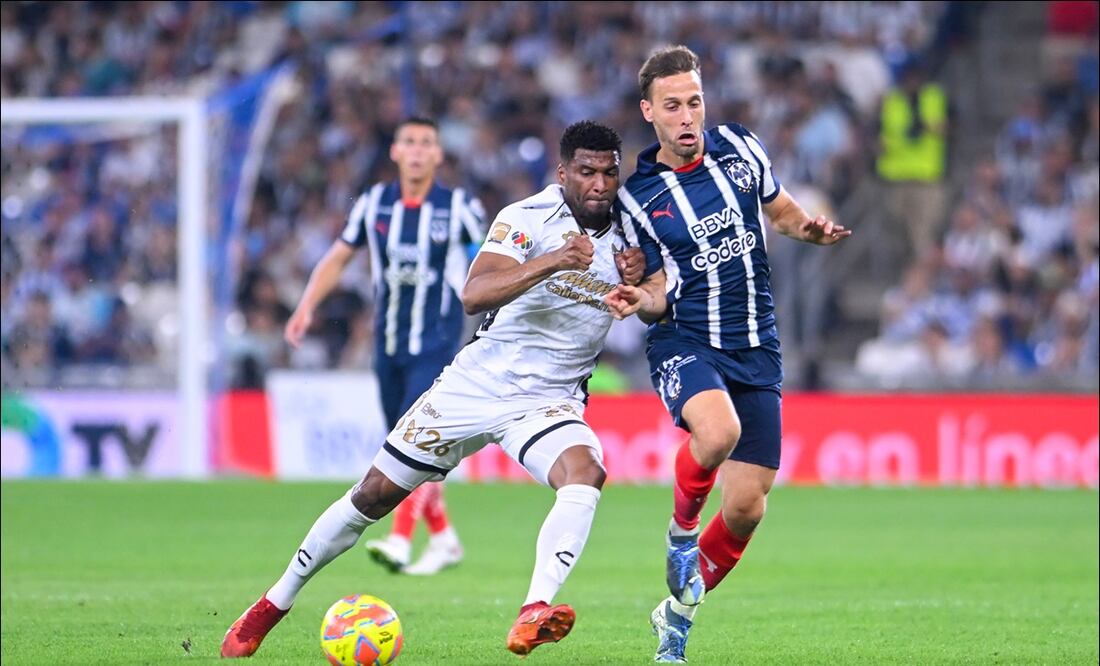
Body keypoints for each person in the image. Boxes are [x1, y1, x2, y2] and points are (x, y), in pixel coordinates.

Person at [221, 120, 650, 659]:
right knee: (371, 497)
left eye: (610, 173)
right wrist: (554, 260)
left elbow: (657, 296)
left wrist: (645, 283)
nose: (599, 184)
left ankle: (533, 610)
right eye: (586, 172)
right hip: (475, 385)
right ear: (563, 172)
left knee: (586, 472)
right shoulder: (525, 218)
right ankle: (272, 603)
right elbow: (475, 293)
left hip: (550, 400)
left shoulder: (637, 231)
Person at [616, 46, 851, 663]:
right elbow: (656, 288)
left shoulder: (741, 148)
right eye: (673, 106)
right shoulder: (638, 196)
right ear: (650, 113)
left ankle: (677, 614)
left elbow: (782, 212)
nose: (687, 115)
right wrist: (636, 299)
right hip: (686, 339)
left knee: (748, 505)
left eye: (694, 101)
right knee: (717, 433)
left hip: (757, 344)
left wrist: (813, 230)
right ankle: (680, 533)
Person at [285, 117, 483, 576]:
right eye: (409, 143)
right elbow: (339, 256)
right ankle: (445, 539)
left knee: (412, 441)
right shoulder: (374, 203)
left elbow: (488, 262)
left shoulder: (458, 207)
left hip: (435, 340)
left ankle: (399, 538)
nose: (417, 151)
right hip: (387, 343)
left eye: (426, 144)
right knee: (404, 441)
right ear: (395, 152)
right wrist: (307, 305)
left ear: (438, 154)